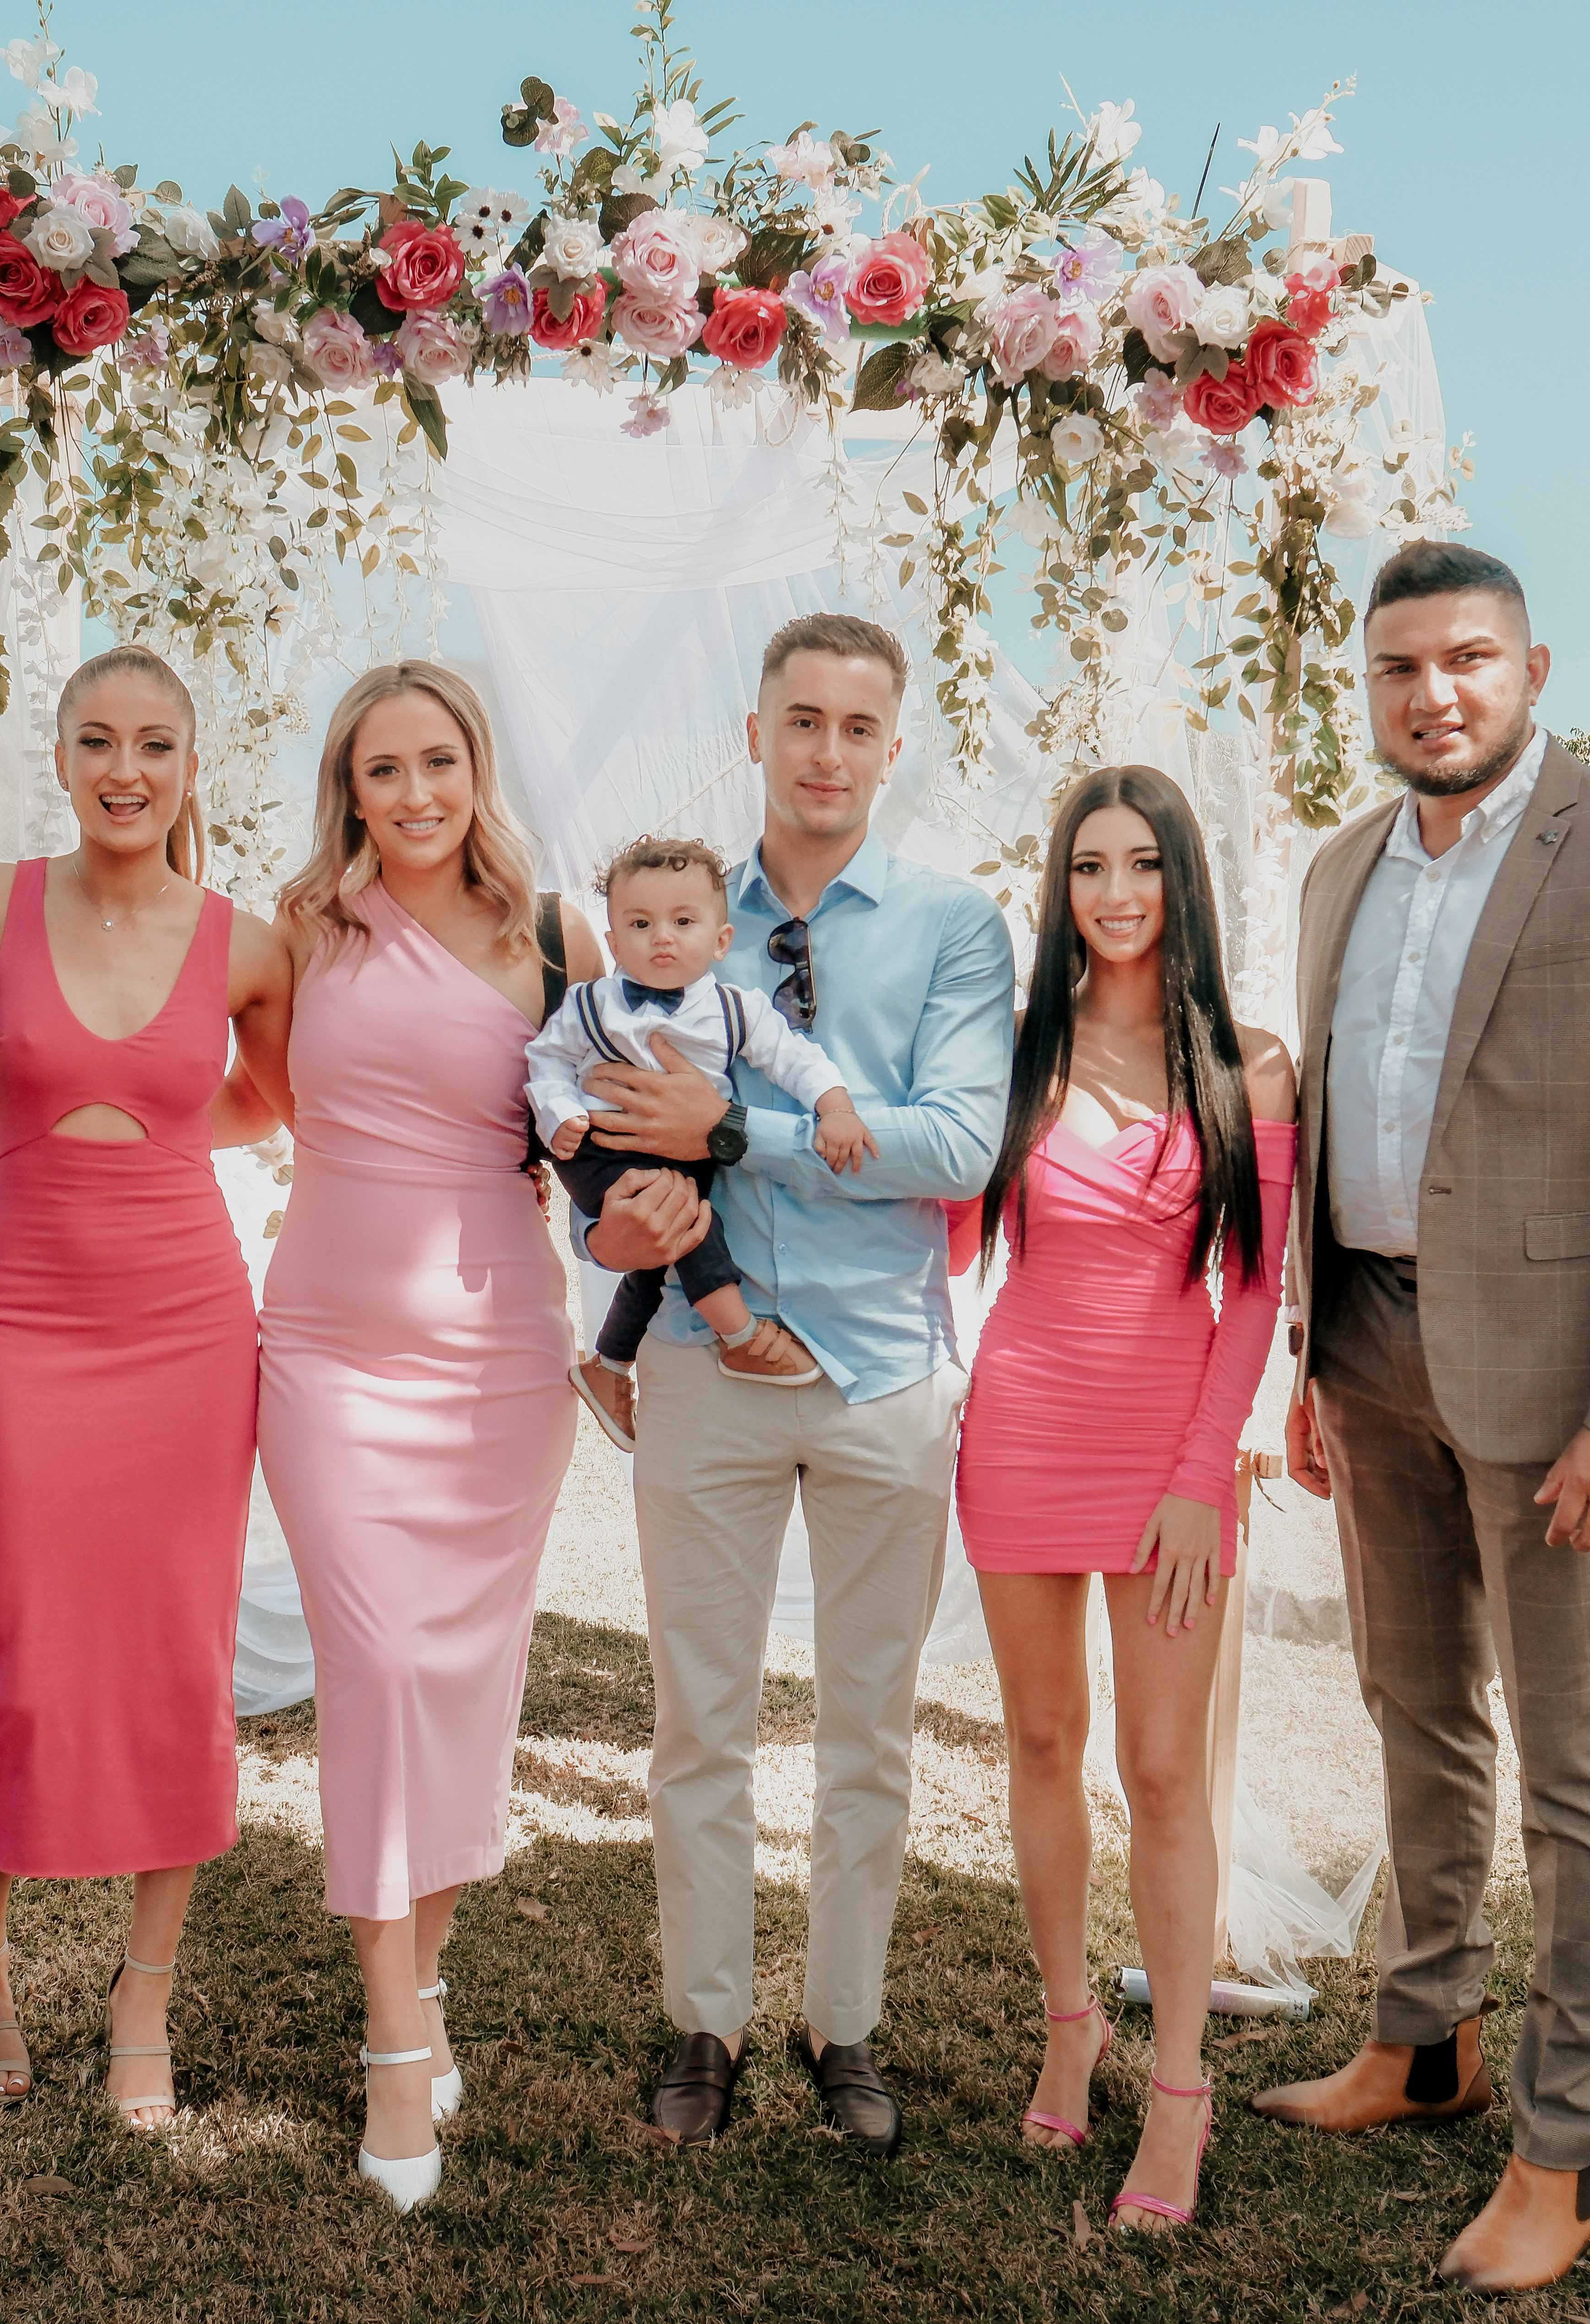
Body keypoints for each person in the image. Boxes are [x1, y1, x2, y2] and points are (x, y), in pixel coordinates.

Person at [1255, 541, 1590, 2291]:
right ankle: (1425, 2043)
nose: (1435, 695)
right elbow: (1340, 1122)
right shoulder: (1341, 869)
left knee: (1574, 1766)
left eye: (1468, 659)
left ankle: (1565, 2150)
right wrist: (1313, 1362)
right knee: (1412, 1709)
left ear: (1534, 670)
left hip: (1562, 1392)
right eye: (1400, 667)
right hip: (1369, 1351)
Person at [574, 612, 1015, 2155]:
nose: (828, 751)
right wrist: (621, 1208)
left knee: (867, 1727)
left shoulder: (955, 926)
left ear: (893, 746)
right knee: (698, 1718)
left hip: (885, 1372)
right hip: (704, 1367)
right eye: (802, 720)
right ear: (755, 735)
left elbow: (957, 1144)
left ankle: (846, 2022)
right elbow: (604, 1119)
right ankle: (705, 2019)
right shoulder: (672, 917)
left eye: (857, 725)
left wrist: (734, 1133)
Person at [244, 660, 608, 2212]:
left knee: (459, 1682)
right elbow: (250, 1096)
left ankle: (424, 1985)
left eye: (437, 762)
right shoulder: (298, 928)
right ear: (348, 784)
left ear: (477, 769)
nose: (413, 794)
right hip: (326, 1349)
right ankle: (394, 2039)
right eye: (381, 768)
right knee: (379, 1669)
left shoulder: (556, 937)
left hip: (497, 1361)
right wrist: (81, 1121)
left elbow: (606, 1139)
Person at [0, 645, 292, 2125]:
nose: (124, 769)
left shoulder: (249, 943)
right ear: (62, 758)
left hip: (185, 1324)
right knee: (17, 1638)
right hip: (23, 1311)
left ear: (190, 766)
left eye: (154, 744)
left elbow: (273, 1097)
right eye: (96, 740)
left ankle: (142, 1991)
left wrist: (155, 1125)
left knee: (173, 1651)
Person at [955, 766, 1298, 2232]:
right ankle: (1065, 2022)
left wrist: (1200, 1476)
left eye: (1141, 863)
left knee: (1161, 1770)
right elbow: (941, 1225)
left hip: (1169, 1453)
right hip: (1019, 1427)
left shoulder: (1249, 1064)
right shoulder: (1011, 1055)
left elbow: (1254, 1289)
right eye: (1087, 866)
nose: (1113, 892)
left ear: (1180, 883)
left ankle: (1178, 2090)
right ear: (1059, 889)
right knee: (1040, 1740)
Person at [528, 833, 874, 1445]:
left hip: (688, 1152)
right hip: (601, 1145)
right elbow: (546, 1060)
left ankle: (609, 1366)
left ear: (720, 940)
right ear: (613, 943)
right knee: (689, 1223)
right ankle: (740, 1336)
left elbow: (795, 1058)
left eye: (682, 921)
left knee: (658, 1254)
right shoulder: (590, 1005)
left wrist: (836, 1108)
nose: (662, 937)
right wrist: (560, 1113)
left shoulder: (737, 1010)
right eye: (640, 924)